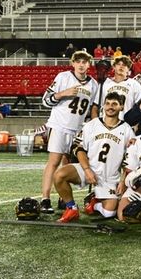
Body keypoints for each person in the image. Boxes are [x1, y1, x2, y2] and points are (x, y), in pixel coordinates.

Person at [53, 92, 135, 222]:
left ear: (121, 107)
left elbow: (129, 159)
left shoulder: (127, 130)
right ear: (103, 106)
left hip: (110, 177)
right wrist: (87, 169)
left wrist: (122, 180)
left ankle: (94, 204)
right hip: (89, 168)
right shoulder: (92, 125)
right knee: (59, 175)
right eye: (107, 103)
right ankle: (72, 208)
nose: (110, 107)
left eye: (114, 104)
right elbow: (78, 148)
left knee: (109, 213)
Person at [39, 51, 99, 214]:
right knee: (54, 161)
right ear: (73, 64)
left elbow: (91, 109)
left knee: (68, 165)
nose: (81, 64)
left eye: (84, 62)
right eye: (78, 61)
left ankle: (63, 198)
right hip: (59, 125)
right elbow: (45, 100)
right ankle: (45, 199)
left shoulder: (93, 85)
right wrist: (63, 93)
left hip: (77, 129)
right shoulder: (63, 77)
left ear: (89, 65)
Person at [100, 55, 141, 119]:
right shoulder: (105, 83)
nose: (121, 66)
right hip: (107, 124)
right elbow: (96, 106)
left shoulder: (134, 85)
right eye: (118, 64)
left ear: (128, 69)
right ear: (114, 67)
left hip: (127, 124)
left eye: (124, 65)